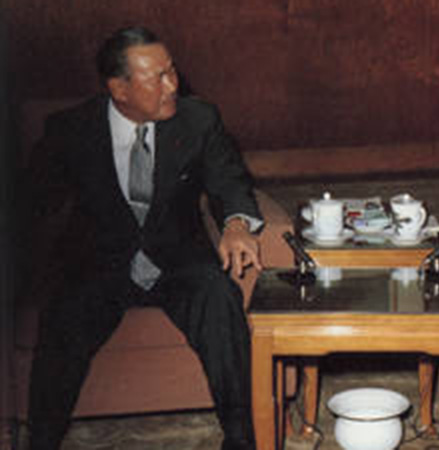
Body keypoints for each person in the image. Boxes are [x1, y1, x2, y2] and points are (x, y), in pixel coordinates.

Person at [25, 26, 263, 450]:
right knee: (62, 313)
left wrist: (237, 225)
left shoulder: (199, 119)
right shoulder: (70, 129)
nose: (173, 86)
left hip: (179, 261)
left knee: (220, 295)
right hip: (98, 264)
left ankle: (242, 438)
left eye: (172, 71)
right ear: (119, 88)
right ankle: (41, 440)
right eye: (158, 77)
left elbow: (229, 180)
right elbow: (30, 202)